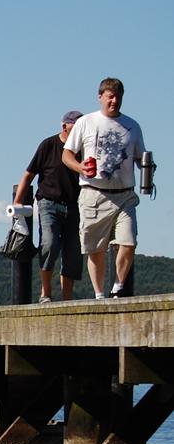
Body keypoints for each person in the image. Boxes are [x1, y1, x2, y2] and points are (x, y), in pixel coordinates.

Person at [62, 77, 146, 299]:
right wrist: (80, 167)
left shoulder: (133, 125)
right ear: (100, 97)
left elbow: (140, 157)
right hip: (94, 193)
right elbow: (66, 154)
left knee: (128, 242)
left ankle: (118, 287)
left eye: (118, 97)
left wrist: (148, 169)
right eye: (110, 96)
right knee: (95, 249)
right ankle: (99, 294)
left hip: (125, 194)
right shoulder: (86, 122)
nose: (114, 101)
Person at [12, 110, 83, 302]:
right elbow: (29, 174)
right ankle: (46, 292)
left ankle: (67, 296)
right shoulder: (48, 145)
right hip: (48, 202)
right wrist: (17, 203)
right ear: (65, 126)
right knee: (49, 243)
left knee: (73, 250)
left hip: (74, 204)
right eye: (76, 126)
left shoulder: (83, 148)